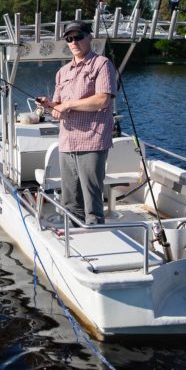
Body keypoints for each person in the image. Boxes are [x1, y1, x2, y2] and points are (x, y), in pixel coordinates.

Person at [36, 21, 117, 225]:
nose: (74, 42)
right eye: (69, 38)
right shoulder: (62, 72)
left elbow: (103, 100)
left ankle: (95, 237)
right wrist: (50, 105)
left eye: (78, 37)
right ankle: (73, 236)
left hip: (92, 141)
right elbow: (59, 109)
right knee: (70, 199)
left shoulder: (102, 64)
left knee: (92, 200)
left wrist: (68, 105)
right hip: (67, 142)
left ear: (90, 37)